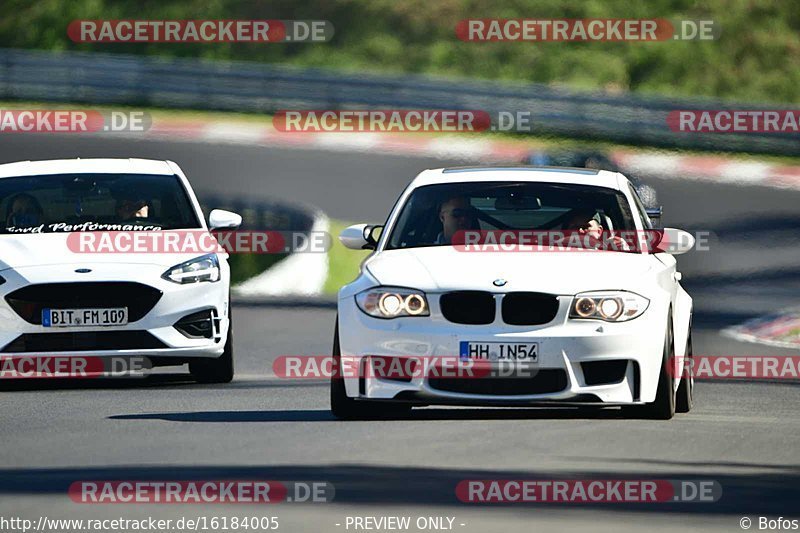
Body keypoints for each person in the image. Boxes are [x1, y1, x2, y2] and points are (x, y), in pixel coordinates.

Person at [563, 208, 630, 251]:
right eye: (574, 227)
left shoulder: (610, 251)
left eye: (585, 227)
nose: (580, 230)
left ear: (599, 231)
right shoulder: (555, 249)